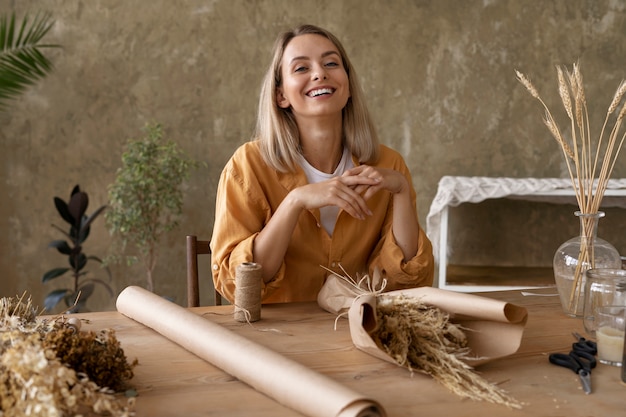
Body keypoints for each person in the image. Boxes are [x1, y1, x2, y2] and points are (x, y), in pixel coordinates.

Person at [210, 24, 434, 303]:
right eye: (301, 68)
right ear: (281, 96)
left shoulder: (388, 164)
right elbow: (238, 286)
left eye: (331, 63)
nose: (320, 73)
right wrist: (295, 202)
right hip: (273, 337)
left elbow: (409, 281)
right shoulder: (247, 166)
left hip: (357, 331)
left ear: (348, 86)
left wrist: (400, 191)